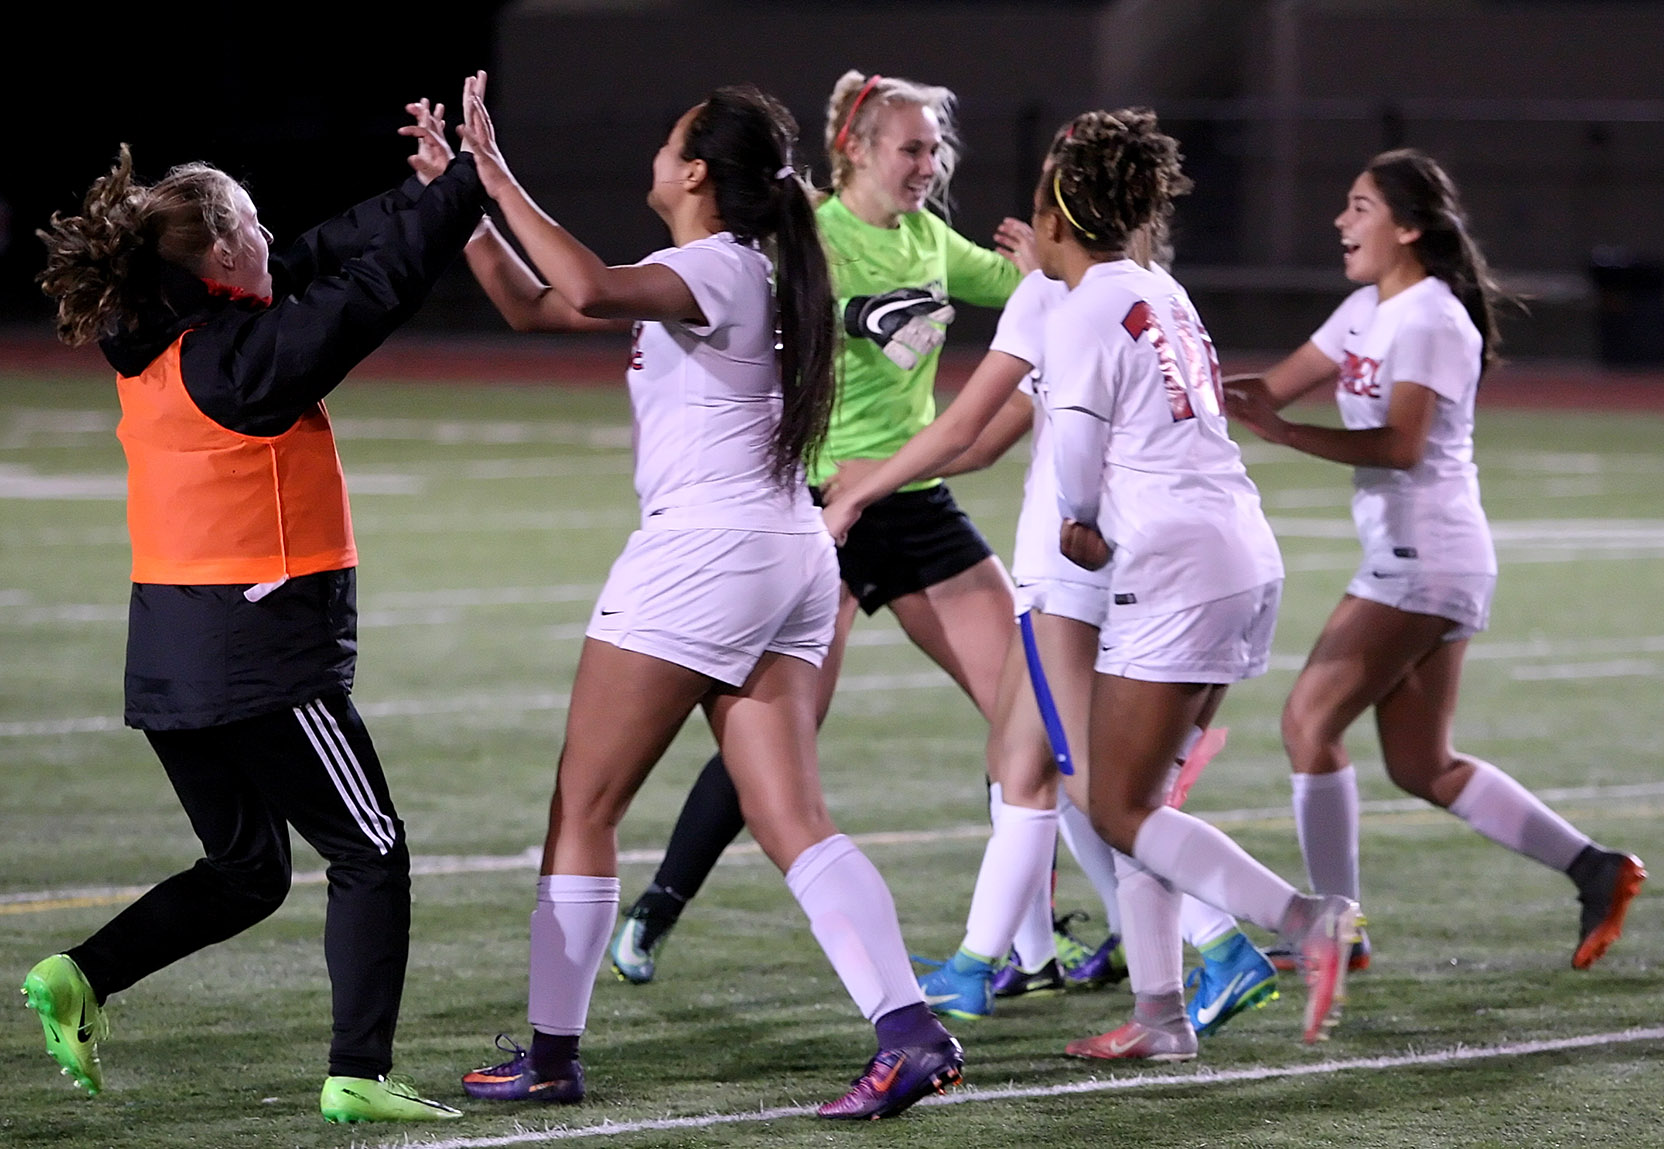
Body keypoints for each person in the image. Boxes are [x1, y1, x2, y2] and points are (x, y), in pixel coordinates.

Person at [436, 72, 961, 1120]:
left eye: (673, 140)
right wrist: (463, 209)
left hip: (708, 556)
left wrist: (493, 172)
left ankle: (549, 1054)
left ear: (696, 174)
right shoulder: (744, 268)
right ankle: (910, 1032)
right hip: (789, 555)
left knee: (583, 808)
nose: (657, 152)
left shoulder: (715, 266)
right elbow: (538, 307)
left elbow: (580, 287)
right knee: (793, 819)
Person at [610, 69, 1120, 999]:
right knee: (777, 725)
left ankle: (1047, 947)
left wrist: (1058, 258)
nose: (927, 164)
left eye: (934, 149)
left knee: (1038, 711)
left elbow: (1056, 294)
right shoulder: (807, 234)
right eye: (909, 147)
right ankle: (658, 905)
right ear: (855, 150)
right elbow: (749, 295)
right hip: (820, 503)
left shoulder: (933, 242)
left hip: (914, 501)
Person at [24, 105, 489, 1123]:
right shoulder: (240, 363)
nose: (274, 236)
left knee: (248, 871)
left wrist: (422, 191)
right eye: (254, 225)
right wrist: (475, 182)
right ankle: (359, 1071)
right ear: (223, 254)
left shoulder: (154, 332)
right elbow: (375, 288)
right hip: (262, 654)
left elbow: (321, 251)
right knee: (370, 851)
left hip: (172, 661)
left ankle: (83, 976)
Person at [821, 119, 1280, 1037]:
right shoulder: (1145, 288)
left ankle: (1223, 942)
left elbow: (970, 436)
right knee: (1031, 765)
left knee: (1084, 784)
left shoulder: (1060, 297)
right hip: (1150, 559)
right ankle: (994, 965)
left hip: (1075, 569)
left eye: (1041, 195)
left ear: (1065, 212)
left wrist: (861, 487)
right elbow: (991, 440)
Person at [1222, 148, 1645, 973]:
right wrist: (1180, 377)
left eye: (1359, 207)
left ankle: (1336, 930)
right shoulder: (1362, 313)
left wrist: (1283, 433)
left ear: (1408, 226)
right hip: (1419, 553)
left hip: (1429, 552)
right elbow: (1269, 390)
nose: (1341, 221)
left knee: (1309, 722)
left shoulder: (1434, 317)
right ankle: (1597, 867)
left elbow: (1402, 444)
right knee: (1422, 764)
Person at [1035, 108, 1362, 1058]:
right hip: (1233, 547)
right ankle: (1160, 1016)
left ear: (1059, 209)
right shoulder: (1161, 289)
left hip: (1175, 563)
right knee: (1146, 804)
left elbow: (1076, 459)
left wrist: (1078, 523)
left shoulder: (1087, 304)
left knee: (1116, 805)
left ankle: (1306, 918)